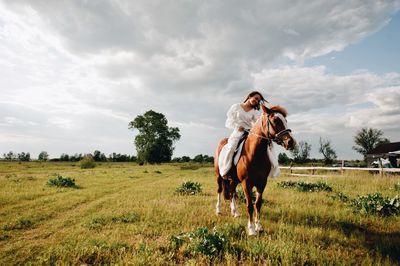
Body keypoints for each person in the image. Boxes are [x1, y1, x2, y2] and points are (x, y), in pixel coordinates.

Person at [218, 91, 265, 178]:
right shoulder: (236, 106)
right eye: (256, 98)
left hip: (249, 132)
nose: (257, 101)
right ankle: (226, 171)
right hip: (238, 131)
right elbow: (229, 121)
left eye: (258, 100)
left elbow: (256, 124)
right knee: (231, 147)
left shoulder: (254, 112)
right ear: (250, 96)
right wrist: (237, 126)